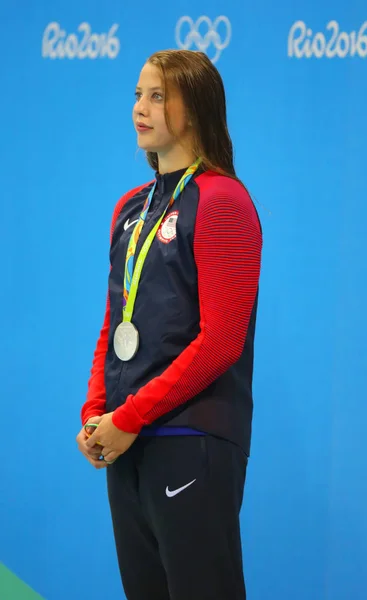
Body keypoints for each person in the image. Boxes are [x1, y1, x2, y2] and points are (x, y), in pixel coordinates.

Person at [76, 49, 263, 600]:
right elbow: (116, 322)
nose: (141, 107)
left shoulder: (223, 201)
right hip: (127, 439)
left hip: (191, 438)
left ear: (197, 107)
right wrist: (96, 412)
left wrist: (129, 415)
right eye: (138, 94)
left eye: (158, 96)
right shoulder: (130, 208)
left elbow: (222, 341)